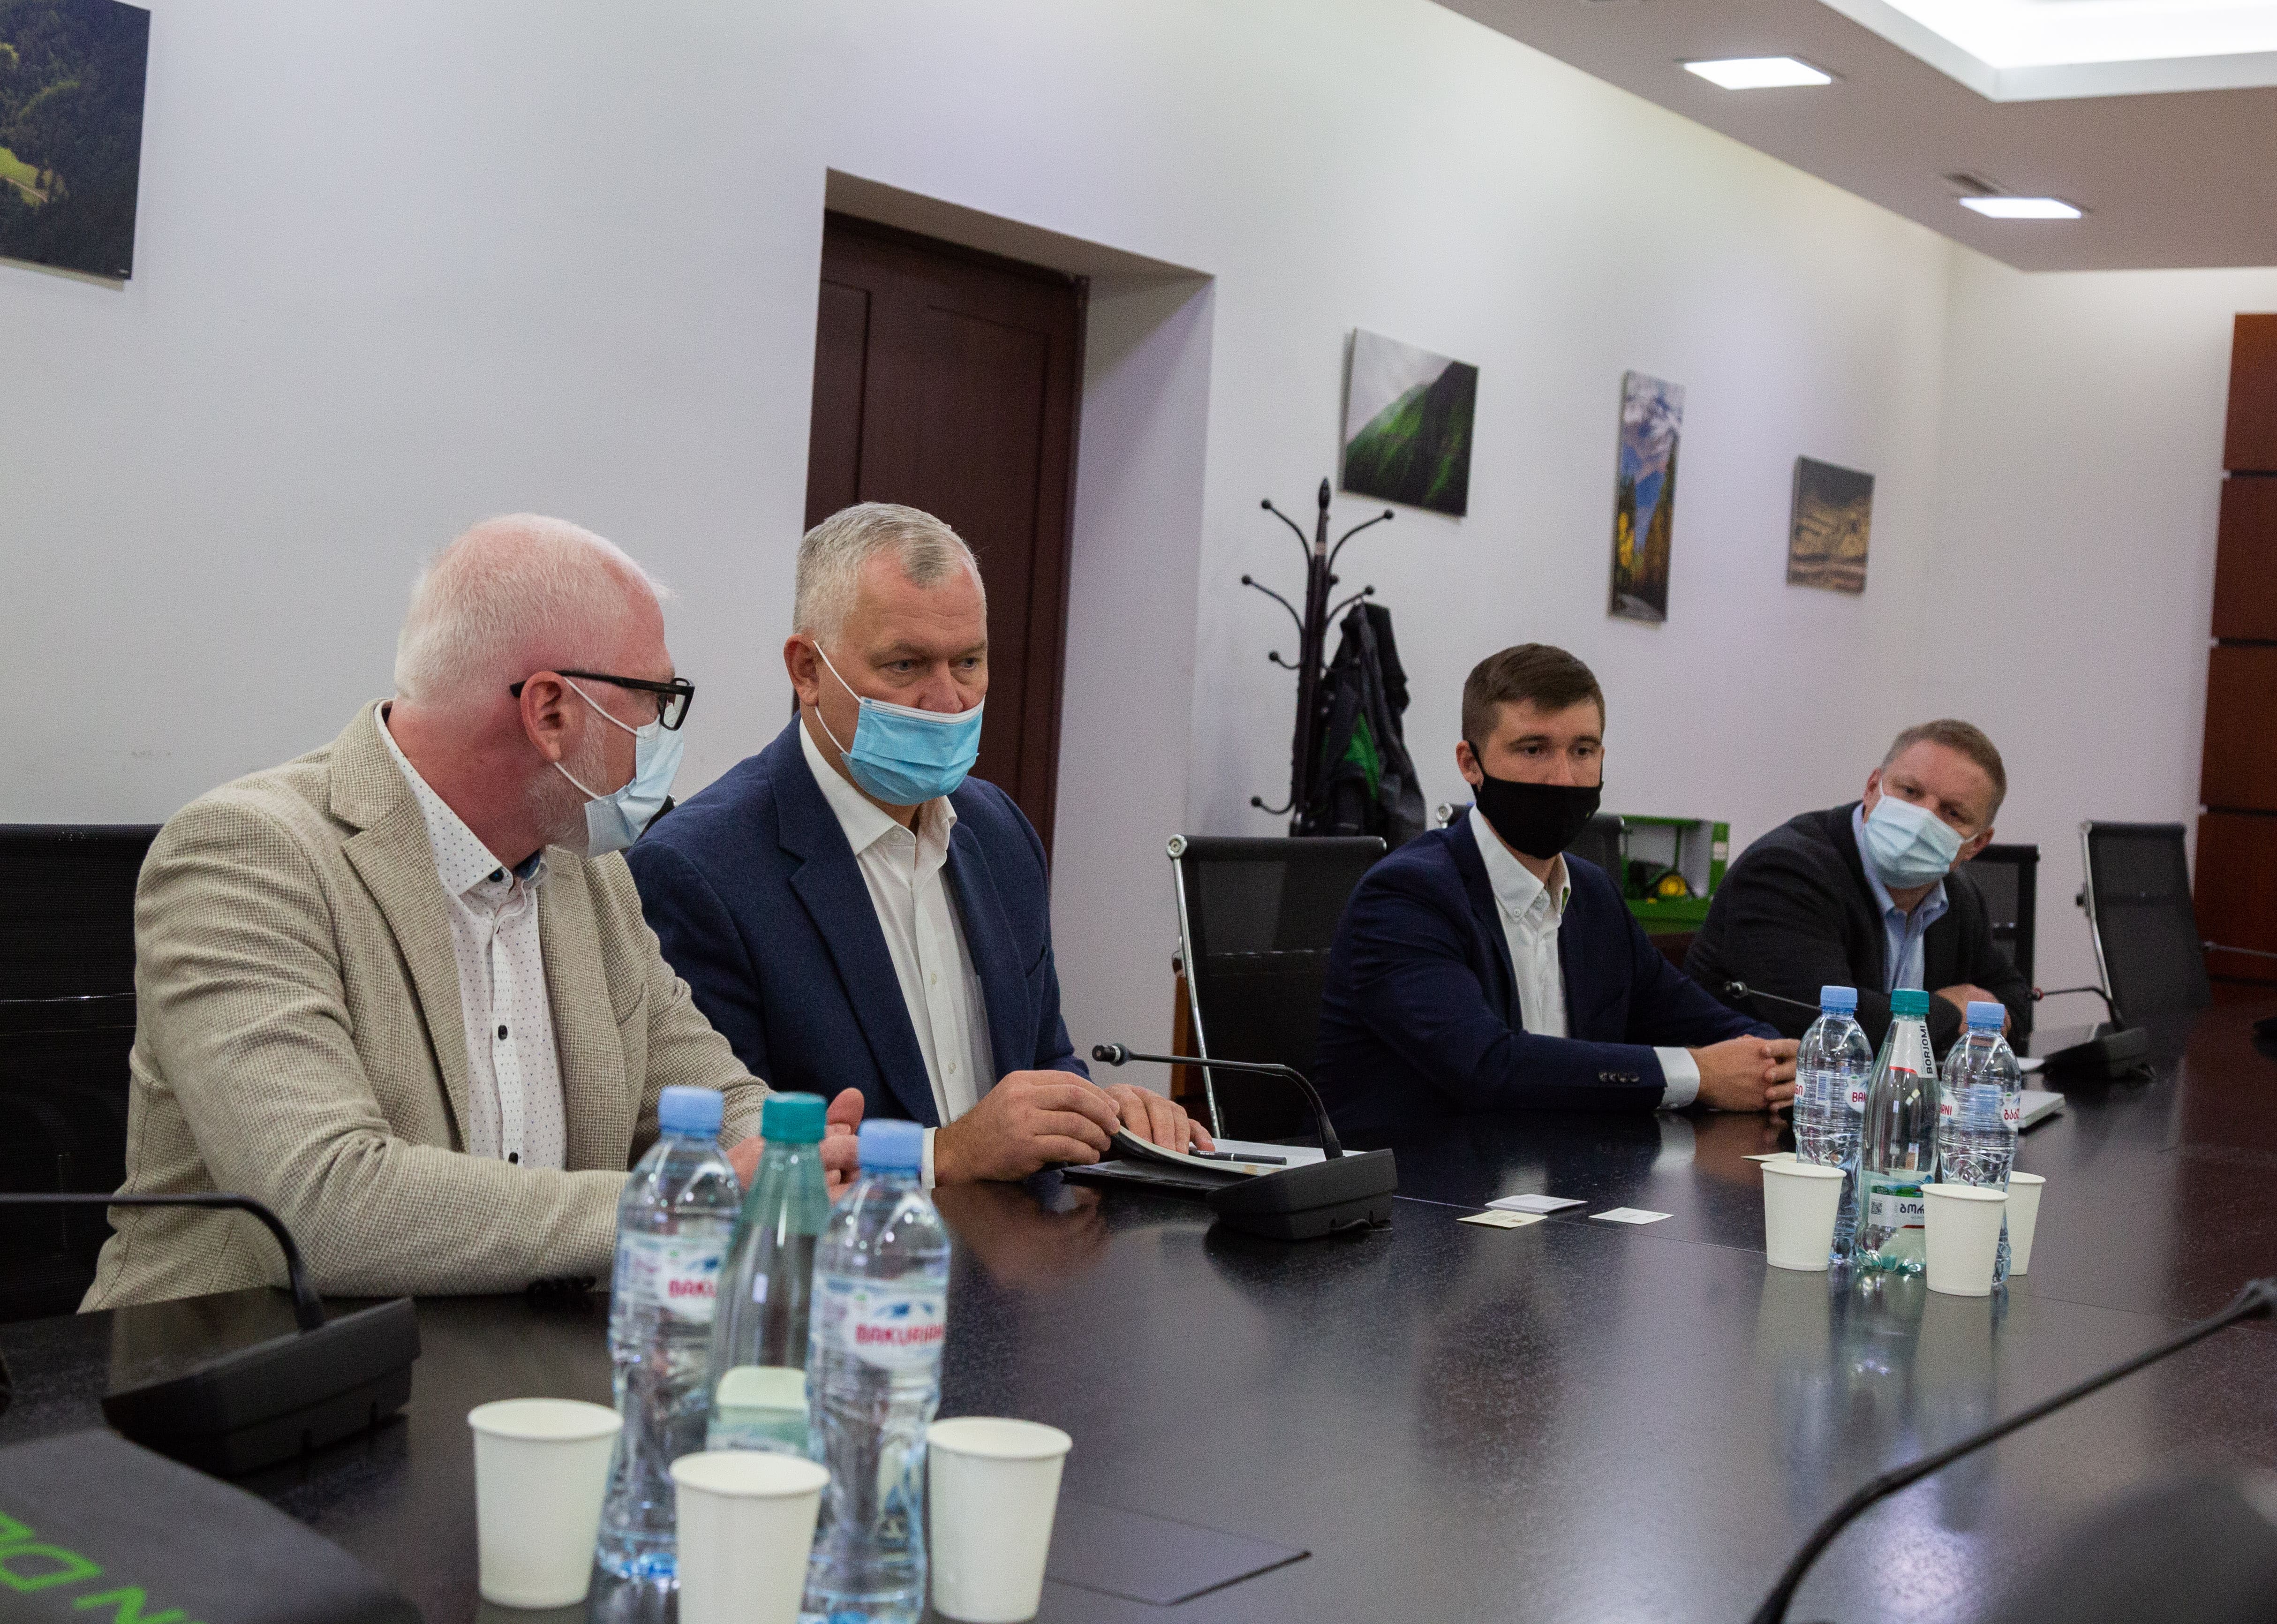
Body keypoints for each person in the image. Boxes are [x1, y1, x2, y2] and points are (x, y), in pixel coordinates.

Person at [83, 515, 850, 1311]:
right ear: (550, 711)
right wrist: (681, 1205)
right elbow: (320, 1204)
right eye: (655, 700)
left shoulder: (592, 877)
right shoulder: (247, 856)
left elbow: (713, 1099)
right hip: (237, 1359)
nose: (661, 733)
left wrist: (803, 1155)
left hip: (517, 1354)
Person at [626, 503, 1210, 1186]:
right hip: (841, 1248)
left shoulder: (999, 830)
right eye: (905, 665)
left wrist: (1104, 1115)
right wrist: (950, 1152)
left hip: (1022, 1248)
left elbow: (1044, 1059)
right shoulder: (699, 868)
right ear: (808, 669)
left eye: (969, 661)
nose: (947, 700)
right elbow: (732, 1153)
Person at [1314, 643, 1795, 1136]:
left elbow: (1706, 1022)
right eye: (1533, 749)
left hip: (1569, 1172)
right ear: (1470, 763)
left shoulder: (1593, 896)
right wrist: (1699, 1074)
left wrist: (1772, 1062)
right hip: (1419, 1178)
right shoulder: (1405, 896)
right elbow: (1486, 1066)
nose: (1563, 778)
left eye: (1582, 751)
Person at [1685, 718, 2031, 1052]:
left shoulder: (1958, 894)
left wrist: (1978, 1013)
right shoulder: (1783, 871)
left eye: (1952, 813)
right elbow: (1830, 1025)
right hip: (1753, 1089)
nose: (1923, 819)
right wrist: (1951, 1012)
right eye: (1910, 792)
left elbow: (2014, 998)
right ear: (1872, 788)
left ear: (1976, 844)